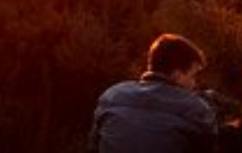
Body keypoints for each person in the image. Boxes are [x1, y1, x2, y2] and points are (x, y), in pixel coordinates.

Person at [90, 33, 218, 152]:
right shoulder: (196, 109)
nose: (194, 83)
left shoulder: (112, 95)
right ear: (177, 75)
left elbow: (94, 146)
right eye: (193, 76)